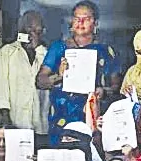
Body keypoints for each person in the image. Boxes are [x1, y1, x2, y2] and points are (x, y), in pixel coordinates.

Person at [36, 1, 121, 144]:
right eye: (76, 18)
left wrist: (103, 91)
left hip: (92, 118)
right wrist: (59, 76)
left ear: (95, 23)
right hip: (61, 119)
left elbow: (116, 86)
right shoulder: (58, 48)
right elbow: (40, 81)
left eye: (86, 19)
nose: (80, 22)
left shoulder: (106, 51)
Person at [0, 10, 50, 139]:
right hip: (15, 125)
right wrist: (5, 122)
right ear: (21, 29)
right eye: (28, 28)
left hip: (40, 127)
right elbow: (1, 89)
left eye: (37, 30)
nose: (31, 34)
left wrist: (36, 49)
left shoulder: (46, 56)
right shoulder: (7, 53)